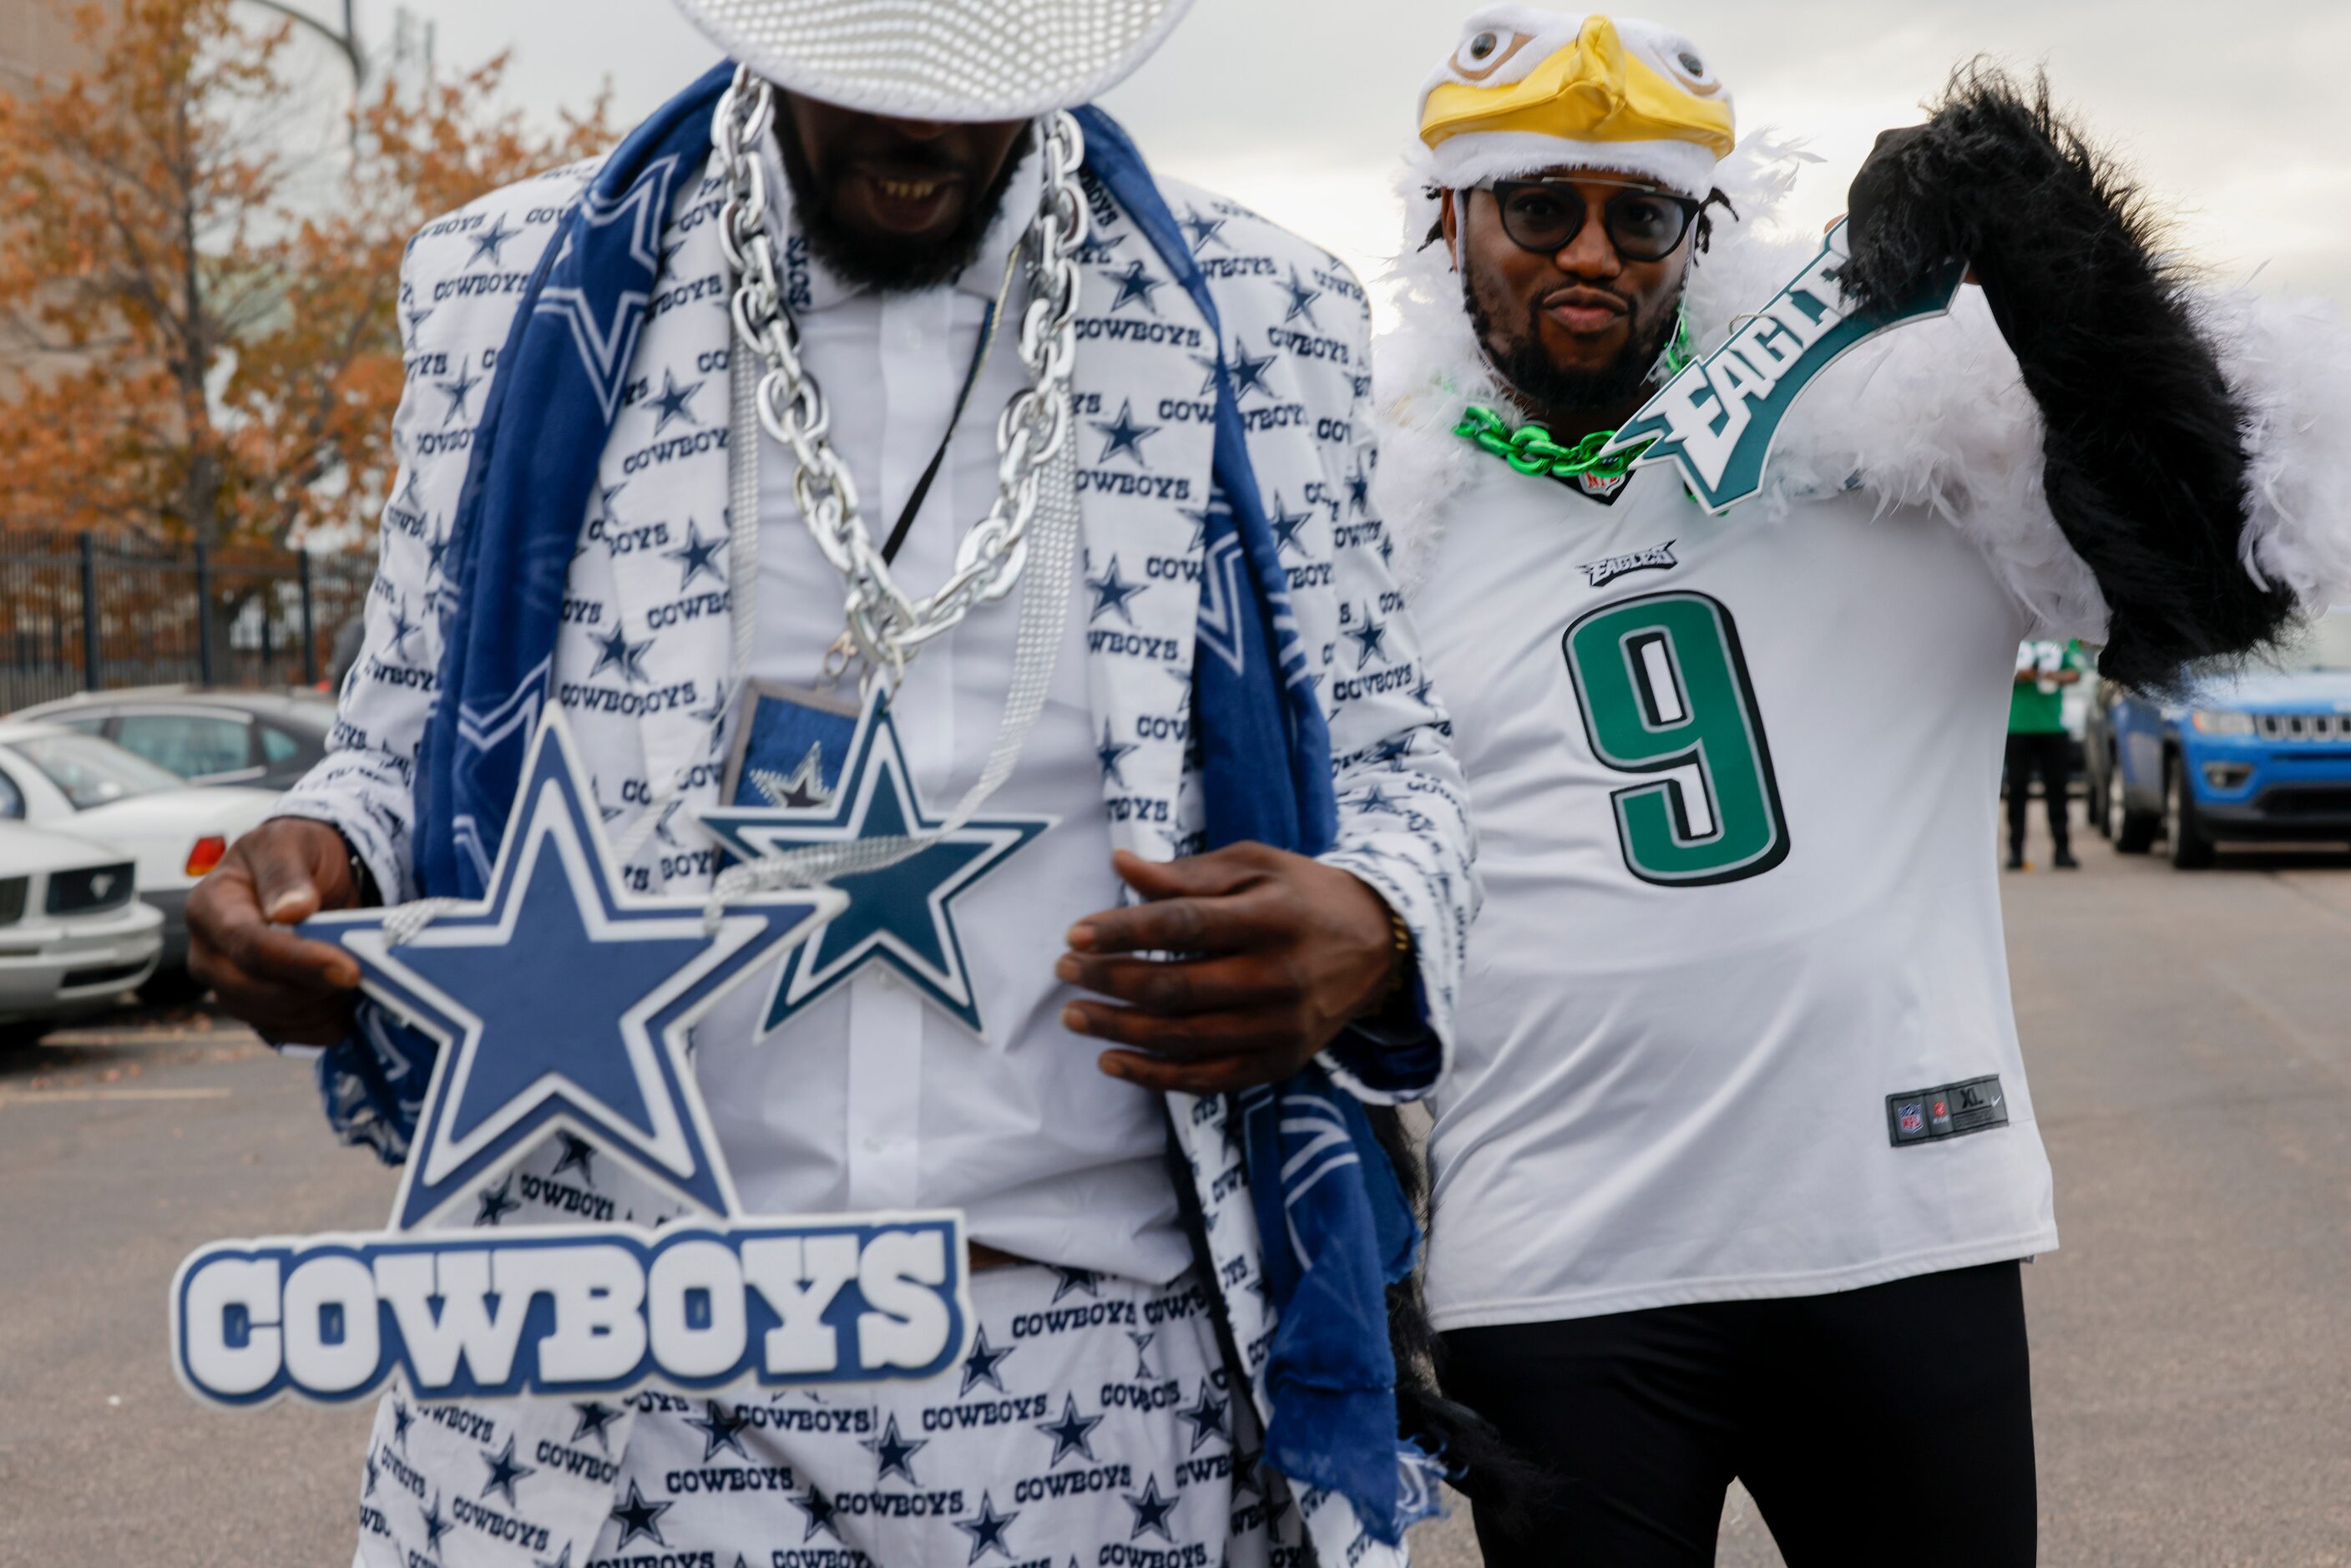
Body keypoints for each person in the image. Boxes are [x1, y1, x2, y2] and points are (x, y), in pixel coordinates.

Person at [185, 3, 1475, 1563]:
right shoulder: (506, 293)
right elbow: (394, 746)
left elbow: (1401, 759)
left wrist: (1373, 919)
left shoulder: (1261, 313)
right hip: (620, 1398)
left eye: (976, 72)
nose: (917, 126)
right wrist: (325, 859)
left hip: (1105, 1390)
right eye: (863, 62)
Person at [1372, 8, 2351, 1565]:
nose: (1591, 255)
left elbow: (2209, 578)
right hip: (1554, 1266)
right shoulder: (1384, 521)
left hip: (1899, 1230)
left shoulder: (1886, 436)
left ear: (1701, 229)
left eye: (1642, 215)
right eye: (1539, 207)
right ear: (1447, 218)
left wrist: (2037, 223)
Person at [2007, 637, 2086, 869]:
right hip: (2017, 725)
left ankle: (2062, 850)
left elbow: (2076, 672)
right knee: (2017, 791)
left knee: (2057, 790)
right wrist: (2020, 675)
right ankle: (2015, 852)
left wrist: (2052, 677)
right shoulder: (2014, 633)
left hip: (2053, 726)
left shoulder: (2061, 637)